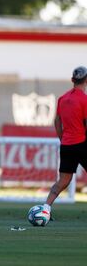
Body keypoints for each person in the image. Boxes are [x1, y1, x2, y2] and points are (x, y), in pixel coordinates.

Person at [44, 66, 87, 215]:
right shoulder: (84, 100)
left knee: (62, 181)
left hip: (66, 145)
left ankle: (45, 209)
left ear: (72, 80)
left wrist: (62, 138)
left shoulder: (62, 98)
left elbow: (57, 121)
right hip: (82, 143)